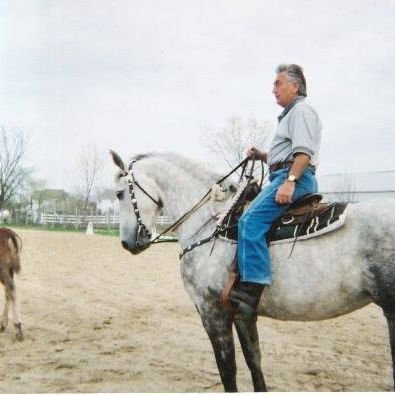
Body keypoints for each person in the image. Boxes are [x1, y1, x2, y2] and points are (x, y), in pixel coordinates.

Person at [230, 64, 322, 319]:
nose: (273, 89)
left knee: (249, 221)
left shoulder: (301, 111)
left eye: (278, 83)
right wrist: (262, 156)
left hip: (294, 177)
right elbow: (286, 154)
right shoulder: (292, 114)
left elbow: (303, 153)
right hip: (283, 174)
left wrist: (290, 181)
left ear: (295, 86)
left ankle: (251, 291)